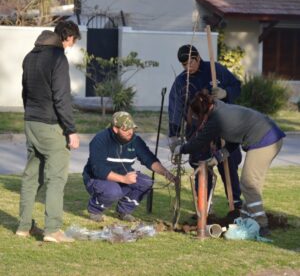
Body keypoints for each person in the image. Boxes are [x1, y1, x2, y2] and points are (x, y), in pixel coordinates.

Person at [174, 89, 285, 236]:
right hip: (271, 136)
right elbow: (234, 139)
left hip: (264, 139)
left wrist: (181, 149)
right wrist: (219, 157)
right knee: (252, 184)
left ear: (203, 113)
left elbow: (198, 142)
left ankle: (261, 224)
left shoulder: (216, 119)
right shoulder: (220, 107)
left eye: (197, 116)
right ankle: (245, 219)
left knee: (248, 183)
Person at [16, 21, 81, 243]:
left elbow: (25, 91)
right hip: (51, 125)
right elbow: (61, 97)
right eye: (73, 41)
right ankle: (52, 230)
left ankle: (24, 227)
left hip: (31, 122)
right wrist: (71, 130)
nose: (72, 46)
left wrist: (30, 116)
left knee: (31, 175)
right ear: (68, 36)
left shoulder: (30, 56)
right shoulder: (57, 58)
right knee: (56, 177)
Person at [168, 44, 243, 209]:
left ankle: (236, 204)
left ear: (197, 57)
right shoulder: (181, 81)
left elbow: (237, 86)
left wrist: (226, 93)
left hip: (222, 126)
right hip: (198, 130)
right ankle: (203, 206)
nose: (188, 68)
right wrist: (173, 134)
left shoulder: (215, 70)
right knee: (202, 167)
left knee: (228, 164)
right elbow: (175, 109)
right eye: (184, 65)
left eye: (190, 63)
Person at [82, 111, 177, 222]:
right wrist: (124, 179)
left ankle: (124, 211)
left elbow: (149, 160)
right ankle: (95, 210)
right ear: (115, 129)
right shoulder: (100, 140)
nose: (130, 132)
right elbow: (98, 170)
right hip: (96, 179)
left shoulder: (135, 141)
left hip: (123, 176)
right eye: (125, 129)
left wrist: (167, 174)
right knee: (113, 191)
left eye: (132, 128)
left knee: (146, 182)